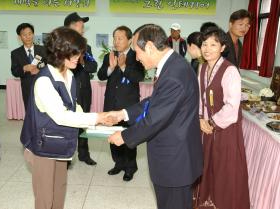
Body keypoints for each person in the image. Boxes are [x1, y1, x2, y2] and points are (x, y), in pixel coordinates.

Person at [108, 24, 203, 209]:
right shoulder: (172, 65)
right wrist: (123, 113)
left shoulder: (174, 74)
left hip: (175, 162)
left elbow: (154, 119)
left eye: (137, 52)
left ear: (150, 47)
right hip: (172, 159)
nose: (136, 57)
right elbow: (156, 101)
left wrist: (124, 136)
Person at [20, 27, 115, 209]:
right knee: (45, 196)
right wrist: (96, 118)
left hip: (61, 143)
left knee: (59, 188)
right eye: (73, 53)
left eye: (79, 53)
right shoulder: (44, 81)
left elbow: (73, 106)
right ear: (59, 52)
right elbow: (61, 116)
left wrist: (97, 122)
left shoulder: (69, 74)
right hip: (43, 146)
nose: (78, 57)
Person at [195, 27, 250, 209]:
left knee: (224, 169)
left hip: (226, 130)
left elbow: (232, 107)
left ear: (223, 47)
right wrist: (201, 119)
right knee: (207, 166)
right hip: (207, 128)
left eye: (213, 44)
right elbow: (201, 97)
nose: (207, 48)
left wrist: (211, 122)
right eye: (204, 44)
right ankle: (207, 201)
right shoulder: (202, 68)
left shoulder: (230, 71)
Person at [97, 25, 145, 182]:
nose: (116, 42)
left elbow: (138, 77)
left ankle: (130, 167)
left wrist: (123, 66)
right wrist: (110, 68)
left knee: (129, 137)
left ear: (130, 40)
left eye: (120, 38)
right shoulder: (109, 56)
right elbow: (101, 75)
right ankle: (118, 164)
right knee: (112, 136)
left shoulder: (137, 55)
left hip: (129, 106)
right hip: (111, 103)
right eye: (114, 38)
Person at [64, 12, 97, 166]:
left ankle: (84, 154)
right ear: (70, 27)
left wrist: (83, 62)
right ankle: (66, 155)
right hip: (65, 91)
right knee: (66, 123)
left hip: (84, 91)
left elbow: (93, 67)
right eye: (80, 26)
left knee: (83, 123)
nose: (83, 29)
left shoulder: (86, 47)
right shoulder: (61, 47)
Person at [11, 23, 47, 110]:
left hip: (44, 85)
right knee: (30, 111)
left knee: (44, 111)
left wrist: (40, 69)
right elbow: (14, 71)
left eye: (30, 34)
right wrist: (24, 68)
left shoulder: (43, 50)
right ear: (19, 37)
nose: (28, 37)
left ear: (33, 34)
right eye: (24, 35)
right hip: (27, 87)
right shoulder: (15, 53)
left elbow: (50, 65)